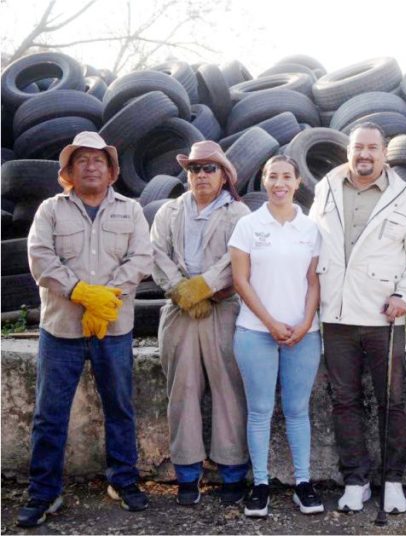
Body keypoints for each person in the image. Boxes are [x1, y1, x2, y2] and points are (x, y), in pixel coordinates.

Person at [20, 132, 153, 527]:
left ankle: (123, 481)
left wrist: (105, 297)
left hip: (113, 328)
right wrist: (80, 292)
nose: (91, 166)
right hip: (61, 330)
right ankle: (44, 492)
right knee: (49, 414)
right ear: (69, 171)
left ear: (112, 172)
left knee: (120, 408)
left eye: (99, 160)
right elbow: (40, 258)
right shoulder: (50, 210)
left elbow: (141, 258)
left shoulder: (131, 210)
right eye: (82, 160)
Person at [310, 122, 406, 514]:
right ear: (348, 151)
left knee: (391, 401)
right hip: (336, 314)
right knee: (344, 400)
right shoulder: (326, 187)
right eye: (358, 147)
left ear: (384, 152)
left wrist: (404, 295)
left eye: (372, 148)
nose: (364, 154)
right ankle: (355, 481)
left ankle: (393, 481)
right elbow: (313, 244)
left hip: (384, 315)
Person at [150, 140, 251, 506]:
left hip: (222, 308)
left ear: (224, 175)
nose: (202, 174)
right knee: (182, 390)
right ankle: (187, 475)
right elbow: (156, 253)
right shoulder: (169, 211)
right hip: (180, 311)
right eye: (195, 168)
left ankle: (232, 474)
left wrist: (204, 287)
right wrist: (181, 291)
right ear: (187, 174)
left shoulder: (239, 214)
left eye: (210, 168)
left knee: (228, 389)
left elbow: (236, 258)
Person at [228, 155, 323, 518]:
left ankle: (303, 483)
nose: (279, 183)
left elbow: (314, 282)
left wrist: (305, 323)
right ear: (264, 181)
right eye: (272, 176)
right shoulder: (248, 225)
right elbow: (240, 281)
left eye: (286, 176)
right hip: (255, 332)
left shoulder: (311, 228)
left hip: (303, 334)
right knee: (260, 410)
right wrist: (270, 323)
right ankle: (261, 485)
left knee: (298, 410)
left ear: (298, 182)